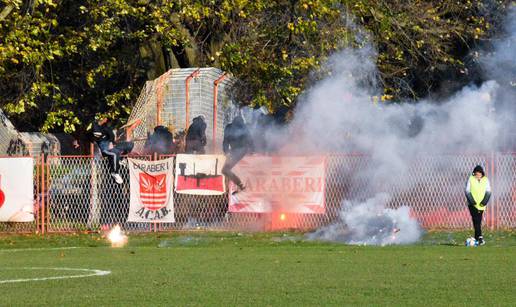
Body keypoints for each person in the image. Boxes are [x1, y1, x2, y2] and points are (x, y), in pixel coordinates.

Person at [92, 116, 134, 184]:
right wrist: (101, 121)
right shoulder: (97, 129)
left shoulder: (108, 129)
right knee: (115, 153)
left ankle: (121, 159)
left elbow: (112, 137)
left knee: (130, 144)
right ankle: (115, 172)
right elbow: (96, 130)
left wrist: (112, 142)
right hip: (105, 150)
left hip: (112, 147)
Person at [222, 115, 253, 194]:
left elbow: (225, 141)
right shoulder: (244, 127)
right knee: (228, 169)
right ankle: (240, 186)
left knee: (225, 170)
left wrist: (226, 151)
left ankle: (241, 185)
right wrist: (252, 150)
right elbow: (250, 139)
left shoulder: (229, 127)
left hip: (238, 151)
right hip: (240, 151)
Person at [465, 165, 491, 245]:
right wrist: (472, 201)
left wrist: (484, 201)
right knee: (476, 220)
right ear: (474, 173)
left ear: (482, 173)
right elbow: (467, 191)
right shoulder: (471, 179)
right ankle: (480, 237)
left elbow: (488, 191)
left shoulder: (486, 180)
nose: (478, 175)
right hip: (472, 204)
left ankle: (477, 238)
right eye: (476, 173)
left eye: (479, 173)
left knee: (478, 221)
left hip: (481, 205)